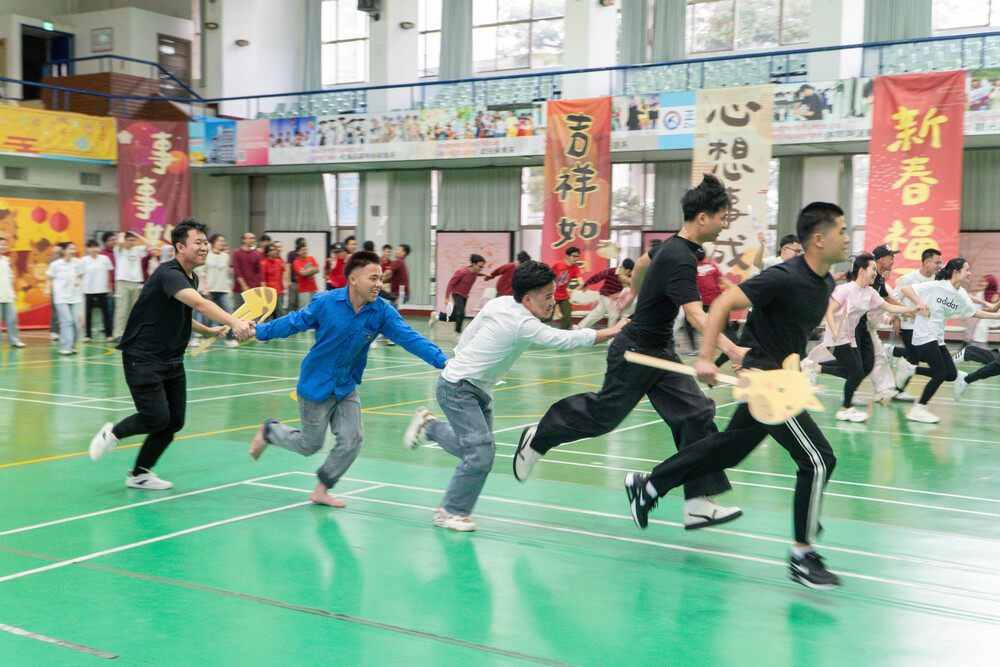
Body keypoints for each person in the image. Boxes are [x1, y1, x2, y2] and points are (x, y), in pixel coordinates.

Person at [621, 201, 849, 591]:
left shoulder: (825, 282)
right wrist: (706, 357)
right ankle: (802, 555)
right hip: (765, 382)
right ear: (818, 239)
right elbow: (724, 303)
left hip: (781, 377)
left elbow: (784, 332)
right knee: (818, 459)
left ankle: (650, 485)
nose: (846, 238)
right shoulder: (783, 277)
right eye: (841, 231)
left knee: (729, 449)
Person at [513, 175, 746, 529]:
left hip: (659, 350)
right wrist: (732, 350)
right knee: (603, 416)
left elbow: (640, 266)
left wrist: (633, 293)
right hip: (636, 350)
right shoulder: (680, 257)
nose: (724, 224)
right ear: (703, 218)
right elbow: (697, 315)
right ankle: (538, 437)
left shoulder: (673, 248)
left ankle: (699, 501)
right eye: (722, 217)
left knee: (696, 415)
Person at [404, 261, 628, 531]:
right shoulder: (523, 323)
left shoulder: (499, 303)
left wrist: (461, 356)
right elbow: (565, 340)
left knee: (475, 450)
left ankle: (429, 427)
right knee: (480, 453)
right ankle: (450, 511)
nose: (553, 302)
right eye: (547, 297)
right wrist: (614, 330)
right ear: (527, 299)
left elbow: (471, 332)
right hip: (458, 388)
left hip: (480, 389)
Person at [249, 251, 449, 507]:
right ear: (353, 279)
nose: (379, 284)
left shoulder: (382, 312)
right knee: (310, 444)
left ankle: (321, 490)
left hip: (345, 385)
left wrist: (442, 361)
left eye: (380, 279)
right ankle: (269, 431)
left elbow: (410, 337)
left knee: (352, 440)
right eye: (373, 278)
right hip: (316, 384)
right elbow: (294, 322)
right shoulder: (326, 302)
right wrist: (259, 331)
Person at [88, 220, 255, 490]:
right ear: (180, 247)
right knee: (155, 418)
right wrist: (235, 322)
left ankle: (139, 474)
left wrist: (208, 330)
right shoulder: (168, 273)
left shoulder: (191, 277)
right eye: (198, 243)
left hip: (171, 359)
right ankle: (113, 433)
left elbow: (183, 313)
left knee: (174, 422)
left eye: (205, 243)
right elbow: (198, 303)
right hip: (143, 357)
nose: (204, 248)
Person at [803, 254, 921, 422]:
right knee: (856, 371)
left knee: (859, 369)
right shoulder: (845, 290)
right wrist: (834, 330)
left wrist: (914, 310)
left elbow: (889, 307)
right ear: (861, 271)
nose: (875, 273)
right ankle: (845, 408)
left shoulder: (870, 293)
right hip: (836, 339)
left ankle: (815, 368)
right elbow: (830, 310)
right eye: (873, 269)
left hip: (850, 338)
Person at [899, 258, 1000, 423]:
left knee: (951, 374)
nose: (970, 273)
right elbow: (906, 289)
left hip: (937, 337)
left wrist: (997, 316)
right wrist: (920, 304)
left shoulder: (961, 294)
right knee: (940, 373)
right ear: (955, 272)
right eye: (967, 270)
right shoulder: (936, 286)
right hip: (924, 334)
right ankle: (919, 408)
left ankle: (911, 369)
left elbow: (973, 312)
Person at [884, 247, 942, 372]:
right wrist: (896, 318)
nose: (939, 266)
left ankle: (892, 351)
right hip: (909, 324)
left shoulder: (937, 279)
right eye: (937, 262)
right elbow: (895, 299)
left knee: (921, 357)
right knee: (915, 358)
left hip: (927, 326)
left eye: (940, 263)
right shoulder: (908, 278)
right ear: (926, 263)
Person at [431, 254, 486, 342]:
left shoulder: (475, 272)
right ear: (473, 264)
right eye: (480, 266)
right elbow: (451, 284)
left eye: (482, 267)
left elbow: (477, 274)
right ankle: (456, 334)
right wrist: (446, 297)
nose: (481, 268)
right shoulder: (462, 272)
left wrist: (484, 275)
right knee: (461, 313)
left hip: (465, 295)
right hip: (457, 294)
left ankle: (437, 317)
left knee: (455, 316)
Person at [45, 242, 83, 356]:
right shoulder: (56, 264)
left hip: (75, 296)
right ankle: (64, 347)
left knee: (75, 323)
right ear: (64, 251)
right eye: (71, 249)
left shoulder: (77, 262)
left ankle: (72, 346)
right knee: (67, 321)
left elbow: (80, 274)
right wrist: (48, 289)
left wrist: (77, 280)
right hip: (61, 297)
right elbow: (49, 277)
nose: (73, 251)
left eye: (74, 249)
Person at [577, 259, 635, 329]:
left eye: (630, 271)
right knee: (614, 314)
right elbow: (598, 276)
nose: (629, 273)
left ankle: (580, 327)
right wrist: (586, 284)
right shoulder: (612, 271)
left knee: (597, 314)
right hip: (605, 295)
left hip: (612, 298)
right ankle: (611, 334)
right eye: (628, 271)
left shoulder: (629, 277)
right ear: (623, 268)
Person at [112, 232, 147, 341]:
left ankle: (130, 333)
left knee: (132, 310)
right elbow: (120, 242)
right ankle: (118, 334)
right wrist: (122, 234)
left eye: (133, 240)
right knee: (121, 310)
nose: (132, 242)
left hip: (135, 282)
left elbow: (150, 245)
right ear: (125, 240)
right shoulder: (119, 250)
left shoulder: (137, 250)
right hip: (122, 282)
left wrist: (138, 235)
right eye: (130, 240)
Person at [80, 240, 114, 342]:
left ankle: (109, 334)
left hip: (102, 289)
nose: (93, 249)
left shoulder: (104, 259)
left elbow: (108, 274)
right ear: (87, 249)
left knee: (106, 312)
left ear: (98, 248)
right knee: (88, 313)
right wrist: (82, 290)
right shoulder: (83, 260)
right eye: (91, 247)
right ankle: (87, 335)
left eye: (95, 247)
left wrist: (109, 287)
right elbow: (81, 276)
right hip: (88, 289)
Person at [0, 234, 25, 348]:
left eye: (5, 244)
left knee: (12, 319)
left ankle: (14, 340)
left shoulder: (7, 260)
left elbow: (11, 278)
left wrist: (13, 291)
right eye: (1, 244)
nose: (3, 246)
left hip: (7, 295)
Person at [551, 246, 582, 329]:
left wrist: (584, 285)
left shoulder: (575, 268)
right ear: (567, 256)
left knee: (567, 316)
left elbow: (580, 279)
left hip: (563, 295)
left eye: (577, 256)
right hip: (552, 294)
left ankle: (562, 333)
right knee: (548, 317)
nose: (576, 258)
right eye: (574, 256)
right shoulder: (557, 264)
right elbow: (547, 275)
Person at [232, 231, 263, 308]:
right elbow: (237, 270)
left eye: (254, 238)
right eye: (251, 238)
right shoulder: (237, 252)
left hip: (253, 288)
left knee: (254, 309)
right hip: (239, 288)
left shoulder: (256, 254)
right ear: (244, 240)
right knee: (240, 310)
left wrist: (261, 286)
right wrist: (243, 285)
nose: (253, 240)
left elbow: (259, 271)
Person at [260, 242, 288, 321]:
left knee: (279, 313)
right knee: (269, 314)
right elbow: (262, 279)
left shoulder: (279, 262)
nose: (275, 251)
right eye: (272, 250)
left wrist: (283, 288)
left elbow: (282, 276)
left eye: (275, 249)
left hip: (279, 291)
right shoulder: (263, 264)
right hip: (269, 292)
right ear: (267, 252)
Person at [100, 231, 117, 325]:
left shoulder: (118, 252)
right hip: (107, 286)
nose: (114, 241)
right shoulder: (102, 254)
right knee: (109, 307)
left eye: (114, 239)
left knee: (117, 308)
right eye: (111, 240)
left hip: (118, 284)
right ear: (105, 242)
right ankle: (106, 326)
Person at [285, 238, 305, 311]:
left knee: (300, 302)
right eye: (302, 243)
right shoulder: (292, 254)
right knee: (292, 301)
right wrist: (288, 280)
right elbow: (288, 266)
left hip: (302, 282)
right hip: (293, 281)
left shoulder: (304, 256)